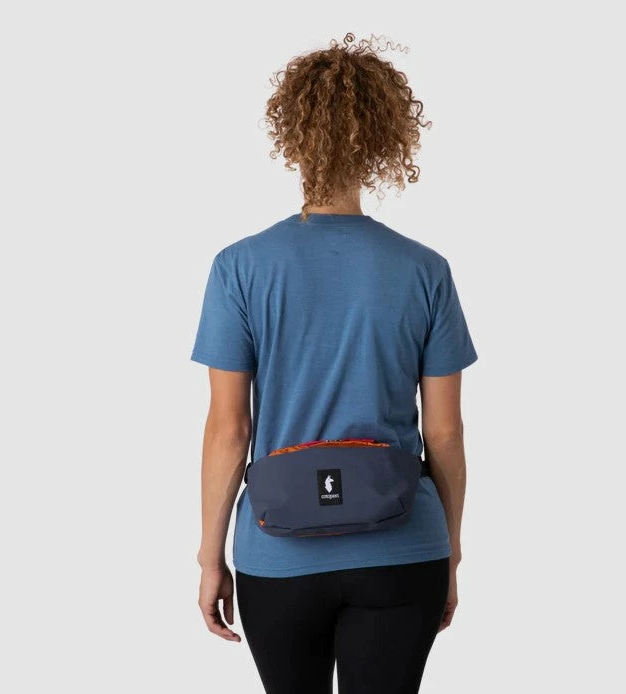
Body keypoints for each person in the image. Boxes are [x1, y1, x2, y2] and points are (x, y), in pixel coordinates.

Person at [190, 32, 479, 694]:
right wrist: (450, 551)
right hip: (402, 548)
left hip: (278, 553)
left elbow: (229, 429)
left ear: (292, 137)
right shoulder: (424, 270)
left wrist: (210, 558)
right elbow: (443, 433)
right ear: (383, 139)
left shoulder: (239, 267)